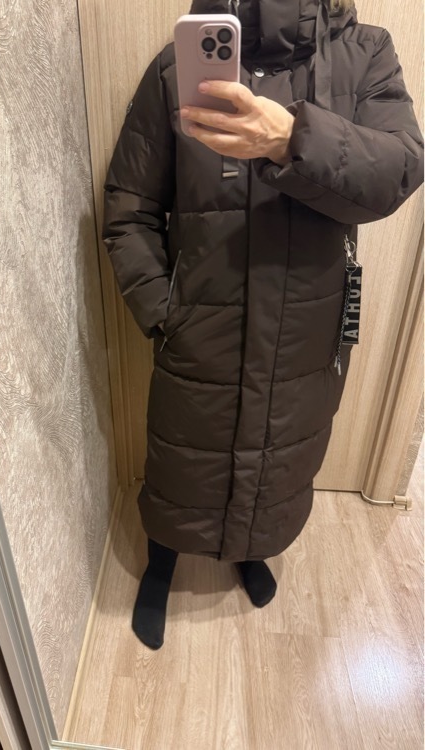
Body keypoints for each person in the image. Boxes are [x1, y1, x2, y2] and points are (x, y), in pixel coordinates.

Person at [102, 0, 424, 650]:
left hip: (309, 328)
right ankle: (162, 560)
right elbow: (128, 210)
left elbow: (400, 170)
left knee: (285, 452)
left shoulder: (365, 55)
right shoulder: (179, 68)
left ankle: (251, 549)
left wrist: (291, 138)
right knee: (182, 454)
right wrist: (164, 312)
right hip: (201, 326)